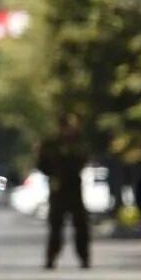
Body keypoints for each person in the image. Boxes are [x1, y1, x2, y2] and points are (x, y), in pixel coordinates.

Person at [37, 115, 92, 269]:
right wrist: (53, 173)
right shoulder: (51, 144)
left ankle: (84, 258)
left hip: (74, 186)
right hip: (57, 188)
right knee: (55, 226)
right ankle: (51, 258)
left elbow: (84, 158)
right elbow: (41, 163)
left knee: (81, 226)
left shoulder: (78, 142)